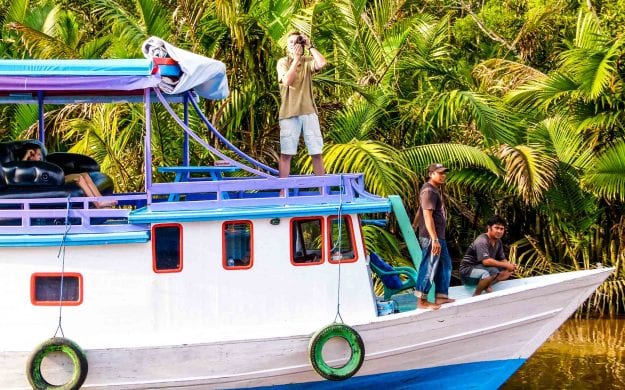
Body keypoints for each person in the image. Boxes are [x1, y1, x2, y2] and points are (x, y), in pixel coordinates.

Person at [276, 31, 327, 178]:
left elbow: (322, 63)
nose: (294, 45)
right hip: (289, 113)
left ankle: (322, 191)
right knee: (286, 153)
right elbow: (287, 81)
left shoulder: (307, 61)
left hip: (309, 112)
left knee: (316, 152)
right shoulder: (283, 62)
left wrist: (310, 45)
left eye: (297, 42)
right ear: (287, 46)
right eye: (291, 42)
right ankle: (283, 192)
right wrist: (296, 59)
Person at [20, 144, 116, 208]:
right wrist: (26, 156)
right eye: (38, 154)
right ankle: (97, 203)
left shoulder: (41, 164)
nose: (40, 157)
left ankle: (101, 199)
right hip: (54, 181)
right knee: (78, 178)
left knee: (85, 175)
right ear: (31, 155)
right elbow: (21, 170)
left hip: (57, 177)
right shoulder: (28, 167)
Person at [414, 163, 455, 310]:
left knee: (445, 265)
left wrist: (414, 225)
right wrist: (435, 239)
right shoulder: (429, 191)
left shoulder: (433, 190)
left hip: (438, 236)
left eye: (444, 173)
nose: (443, 175)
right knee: (429, 266)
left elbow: (420, 210)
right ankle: (422, 301)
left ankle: (441, 296)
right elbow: (427, 215)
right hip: (432, 237)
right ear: (431, 174)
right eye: (440, 173)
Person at [459, 215, 517, 296]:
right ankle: (476, 295)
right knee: (493, 271)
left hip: (481, 269)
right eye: (496, 228)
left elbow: (502, 259)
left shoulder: (498, 241)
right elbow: (486, 261)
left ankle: (487, 284)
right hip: (467, 273)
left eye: (502, 229)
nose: (499, 231)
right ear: (489, 228)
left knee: (505, 269)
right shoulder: (482, 240)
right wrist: (506, 265)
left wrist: (510, 266)